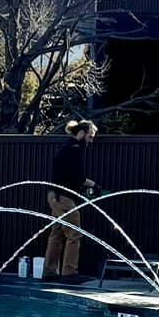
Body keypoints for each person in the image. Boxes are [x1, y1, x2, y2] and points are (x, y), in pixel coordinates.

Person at [44, 119, 97, 281]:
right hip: (64, 198)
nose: (91, 140)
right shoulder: (75, 149)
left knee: (57, 233)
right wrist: (94, 185)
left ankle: (49, 272)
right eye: (90, 136)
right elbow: (78, 177)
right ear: (82, 133)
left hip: (54, 195)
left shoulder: (65, 148)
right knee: (75, 233)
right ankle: (69, 272)